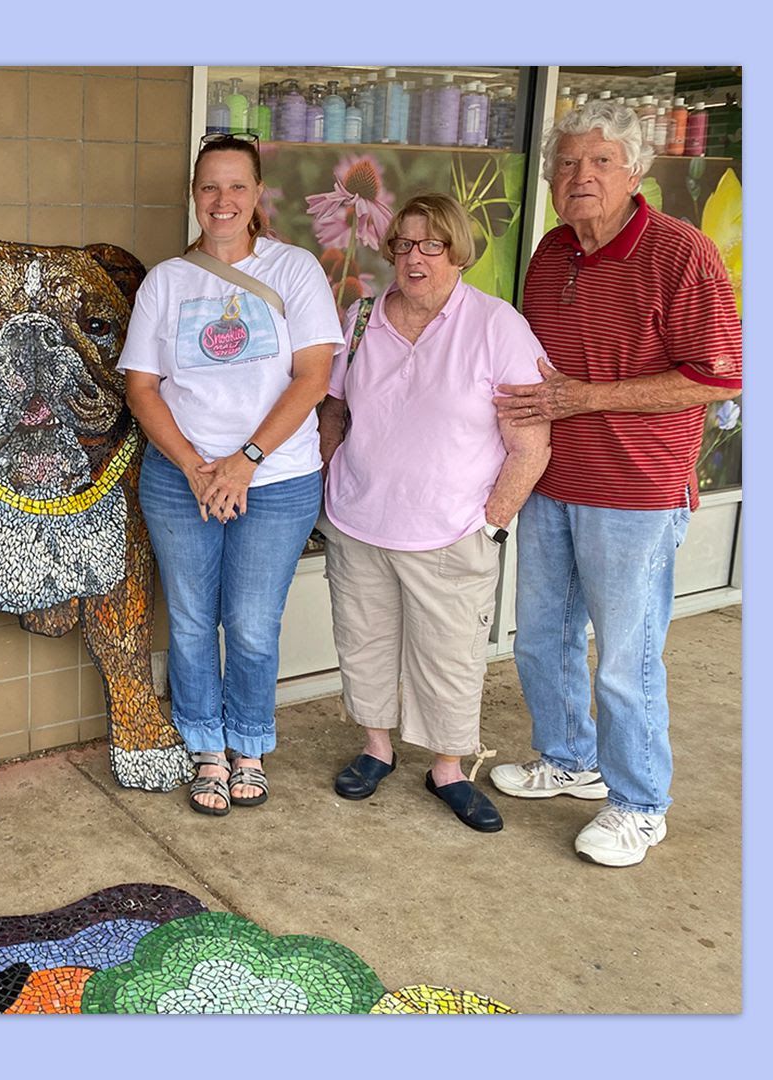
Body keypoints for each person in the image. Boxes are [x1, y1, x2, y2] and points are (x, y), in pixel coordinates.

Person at [489, 101, 742, 866]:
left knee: (627, 658)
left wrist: (588, 397)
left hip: (635, 490)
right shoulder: (551, 251)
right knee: (542, 637)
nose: (580, 177)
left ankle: (640, 804)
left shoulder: (681, 253)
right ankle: (570, 759)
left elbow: (717, 375)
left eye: (600, 162)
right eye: (566, 164)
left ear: (636, 171)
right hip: (552, 482)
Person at [119, 133, 341, 816]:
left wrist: (244, 463)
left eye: (236, 187)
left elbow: (313, 377)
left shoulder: (295, 269)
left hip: (275, 479)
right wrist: (194, 466)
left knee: (248, 621)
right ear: (195, 195)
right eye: (210, 187)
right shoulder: (167, 281)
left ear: (256, 196)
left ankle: (249, 743)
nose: (222, 200)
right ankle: (206, 748)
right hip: (181, 477)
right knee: (189, 620)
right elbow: (141, 386)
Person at [315, 194, 551, 833]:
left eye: (432, 245)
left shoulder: (495, 325)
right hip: (360, 520)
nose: (415, 258)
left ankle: (448, 767)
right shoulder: (361, 319)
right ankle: (376, 748)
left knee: (450, 656)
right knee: (364, 641)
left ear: (457, 252)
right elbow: (333, 408)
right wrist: (332, 477)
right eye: (403, 244)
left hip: (451, 528)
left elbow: (532, 439)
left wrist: (493, 520)